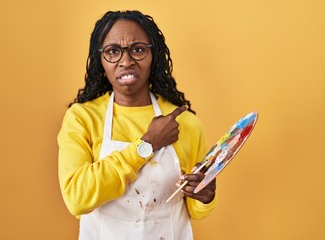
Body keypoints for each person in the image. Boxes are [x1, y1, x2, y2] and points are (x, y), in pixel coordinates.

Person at [58, 10, 216, 240]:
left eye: (138, 49)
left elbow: (196, 211)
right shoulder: (82, 118)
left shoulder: (185, 124)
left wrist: (205, 195)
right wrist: (147, 144)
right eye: (113, 51)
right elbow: (77, 199)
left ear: (154, 56)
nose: (126, 61)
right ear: (100, 59)